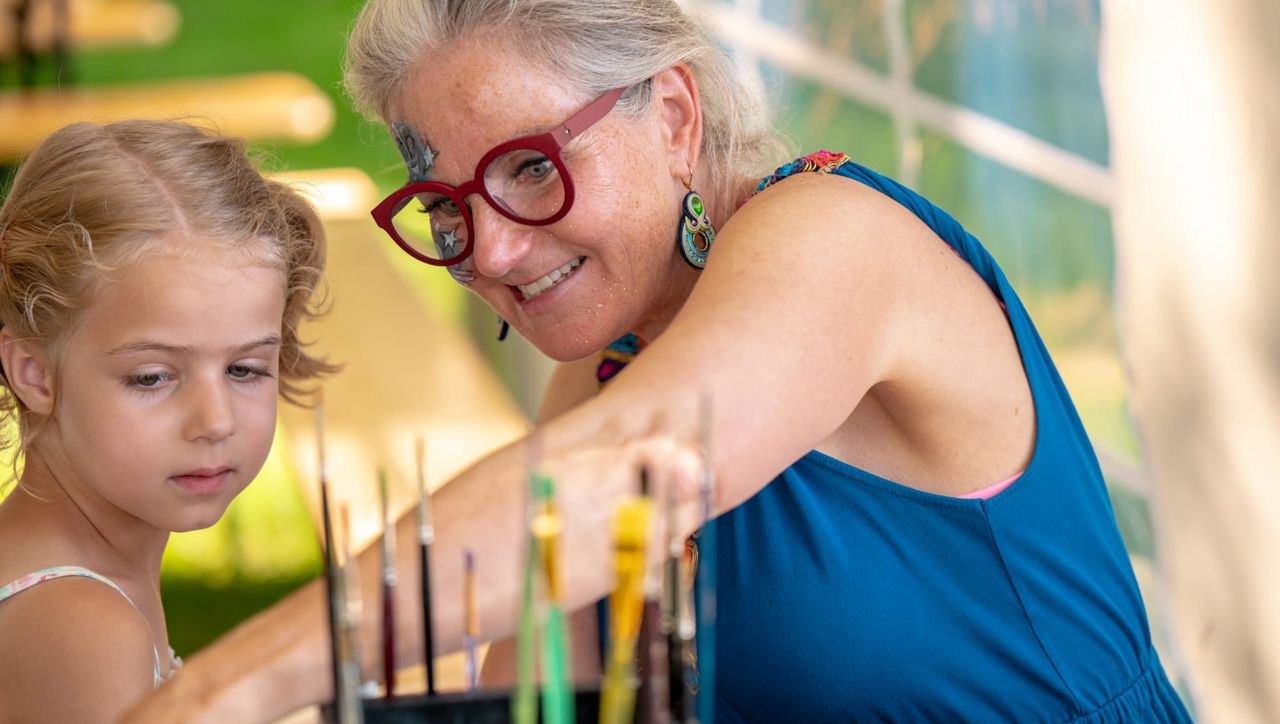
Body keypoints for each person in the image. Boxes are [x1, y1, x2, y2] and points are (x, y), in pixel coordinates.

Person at [125, 1, 1192, 721]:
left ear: (673, 116)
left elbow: (620, 469)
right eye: (444, 207)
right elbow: (543, 691)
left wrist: (224, 689)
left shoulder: (833, 239)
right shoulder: (591, 386)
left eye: (532, 169)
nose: (489, 248)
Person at [0, 119, 335, 723]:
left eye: (245, 369)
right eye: (152, 378)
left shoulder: (88, 584)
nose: (214, 421)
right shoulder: (79, 626)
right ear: (34, 372)